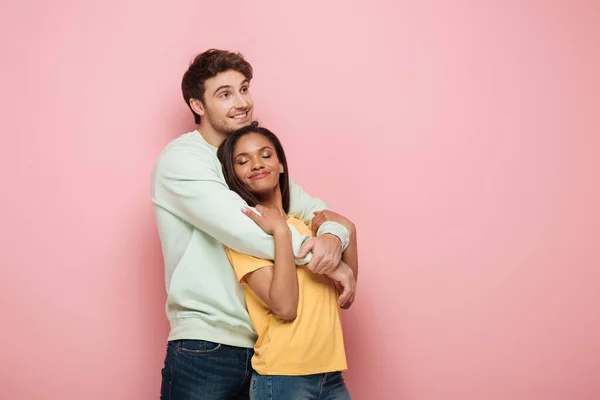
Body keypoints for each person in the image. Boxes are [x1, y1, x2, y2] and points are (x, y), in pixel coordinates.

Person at [152, 48, 357, 400]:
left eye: (244, 89)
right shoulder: (183, 160)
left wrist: (335, 237)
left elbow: (318, 210)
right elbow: (245, 228)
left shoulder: (248, 166)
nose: (241, 103)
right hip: (207, 345)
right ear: (198, 106)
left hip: (266, 348)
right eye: (225, 94)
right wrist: (324, 262)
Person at [218, 123, 358, 399]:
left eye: (266, 155)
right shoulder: (245, 233)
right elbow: (285, 307)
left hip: (330, 375)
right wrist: (281, 233)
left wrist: (349, 230)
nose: (257, 164)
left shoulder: (308, 228)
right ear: (234, 175)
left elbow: (347, 292)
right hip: (282, 379)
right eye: (243, 161)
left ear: (281, 164)